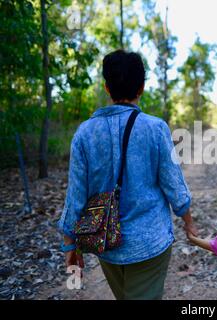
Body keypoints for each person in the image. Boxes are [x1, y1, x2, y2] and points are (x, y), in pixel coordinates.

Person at [57, 49, 197, 300]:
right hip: (150, 244)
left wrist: (69, 244)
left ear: (107, 88)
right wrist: (188, 221)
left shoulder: (84, 134)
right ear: (141, 87)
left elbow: (75, 196)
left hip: (106, 244)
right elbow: (174, 185)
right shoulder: (155, 128)